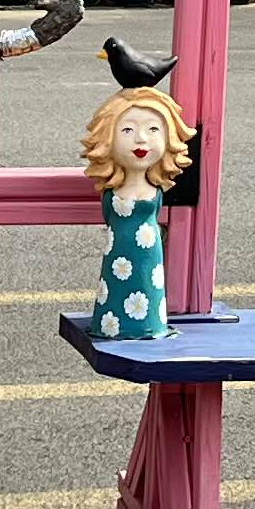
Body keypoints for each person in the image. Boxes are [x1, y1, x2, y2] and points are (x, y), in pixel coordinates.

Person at [79, 84, 196, 342]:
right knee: (116, 287)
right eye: (127, 130)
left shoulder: (155, 189)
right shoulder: (113, 192)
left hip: (149, 250)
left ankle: (149, 324)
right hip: (118, 249)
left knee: (148, 284)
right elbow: (109, 214)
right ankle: (112, 324)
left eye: (153, 129)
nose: (141, 139)